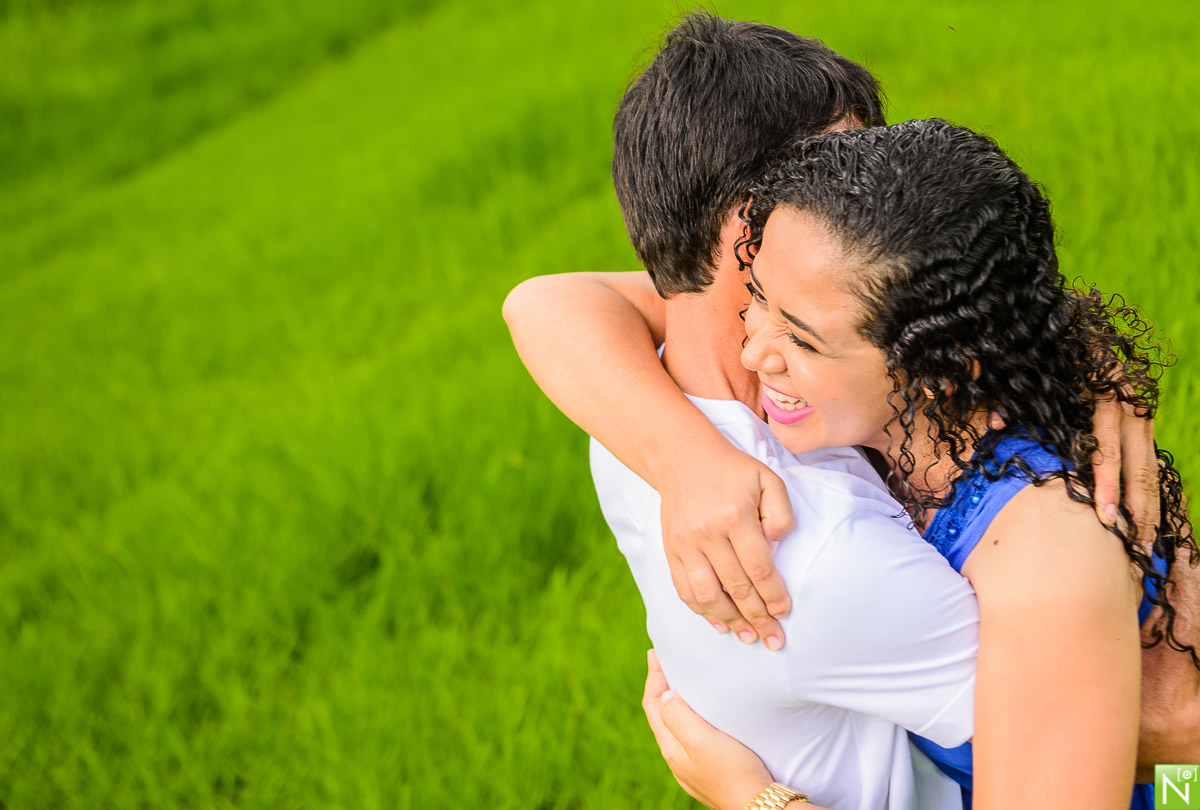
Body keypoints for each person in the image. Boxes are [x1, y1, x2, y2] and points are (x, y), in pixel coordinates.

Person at [503, 11, 1198, 807]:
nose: (881, 193)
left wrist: (1089, 364)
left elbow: (550, 300)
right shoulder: (819, 538)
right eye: (845, 169)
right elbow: (1139, 717)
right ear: (751, 235)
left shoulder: (646, 401)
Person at [641, 119, 1200, 809]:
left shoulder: (1045, 552)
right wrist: (682, 452)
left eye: (804, 341)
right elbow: (554, 301)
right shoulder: (881, 407)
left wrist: (757, 800)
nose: (755, 353)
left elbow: (1181, 774)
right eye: (756, 298)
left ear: (937, 370)